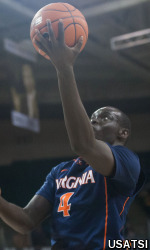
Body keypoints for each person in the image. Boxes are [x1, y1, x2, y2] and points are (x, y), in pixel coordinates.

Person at [0, 20, 145, 250]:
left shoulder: (127, 161)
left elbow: (83, 144)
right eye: (92, 117)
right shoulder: (60, 171)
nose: (94, 119)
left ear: (123, 132)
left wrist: (64, 68)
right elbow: (26, 220)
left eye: (105, 117)